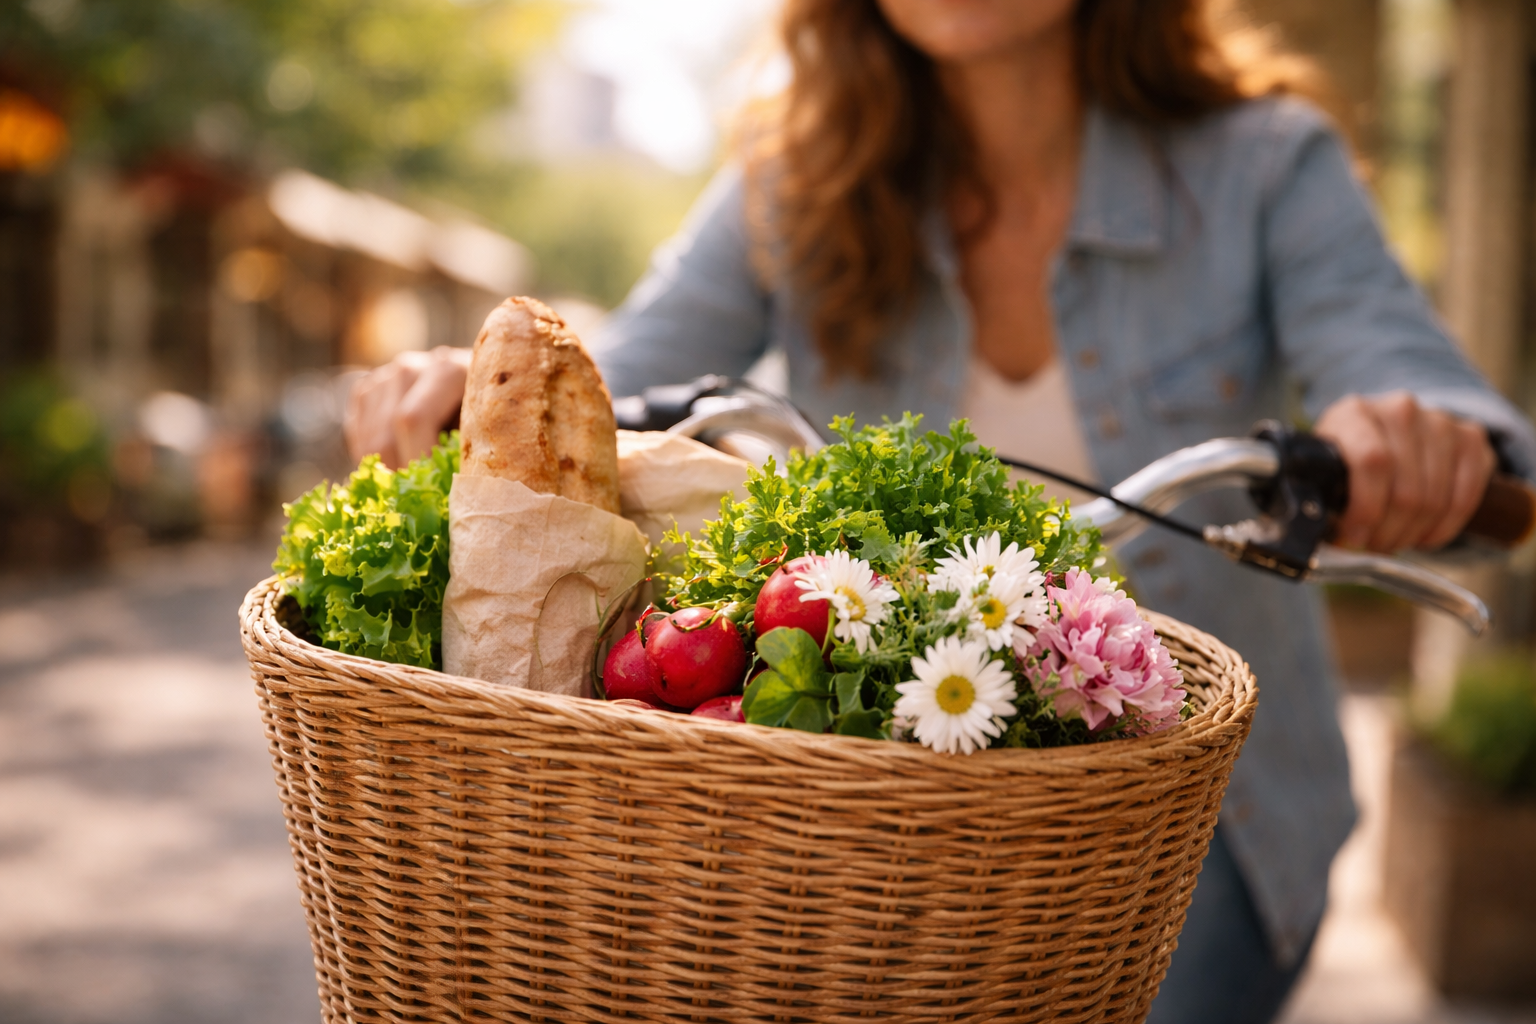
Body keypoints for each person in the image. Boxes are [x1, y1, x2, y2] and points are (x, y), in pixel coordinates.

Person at [346, 1, 1536, 1020]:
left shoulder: (1264, 164)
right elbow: (620, 375)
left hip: (1191, 819)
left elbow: (1413, 375)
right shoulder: (794, 181)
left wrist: (1418, 438)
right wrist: (471, 390)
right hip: (874, 818)